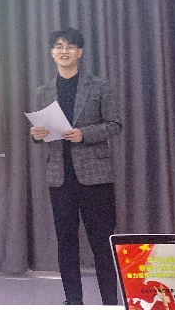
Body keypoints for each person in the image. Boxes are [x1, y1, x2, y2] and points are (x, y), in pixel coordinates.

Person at [30, 27, 122, 306]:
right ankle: (73, 301)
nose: (64, 51)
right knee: (66, 243)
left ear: (79, 52)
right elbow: (42, 131)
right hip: (60, 177)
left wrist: (85, 134)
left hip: (95, 177)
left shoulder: (100, 87)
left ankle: (109, 302)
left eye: (69, 46)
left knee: (102, 242)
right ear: (52, 53)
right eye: (58, 46)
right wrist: (37, 135)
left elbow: (115, 124)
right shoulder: (43, 92)